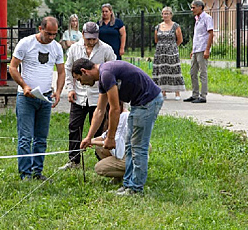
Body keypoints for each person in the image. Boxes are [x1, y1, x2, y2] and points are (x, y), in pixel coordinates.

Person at [75, 59, 163, 196]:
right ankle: (127, 184)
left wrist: (110, 138)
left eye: (79, 79)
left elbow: (115, 109)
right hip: (138, 104)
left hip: (148, 102)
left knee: (138, 147)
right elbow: (99, 110)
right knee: (129, 146)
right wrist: (88, 137)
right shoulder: (103, 77)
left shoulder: (106, 74)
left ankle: (136, 188)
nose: (82, 84)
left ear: (84, 71)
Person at [9, 16, 65, 181]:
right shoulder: (26, 43)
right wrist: (24, 85)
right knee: (26, 137)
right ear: (40, 29)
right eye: (48, 33)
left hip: (45, 97)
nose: (51, 37)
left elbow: (61, 72)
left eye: (55, 34)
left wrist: (58, 91)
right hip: (26, 97)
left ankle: (37, 172)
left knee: (41, 138)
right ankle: (25, 173)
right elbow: (12, 68)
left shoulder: (56, 48)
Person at [59, 22, 116, 170]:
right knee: (74, 127)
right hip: (79, 95)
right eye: (88, 38)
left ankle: (102, 159)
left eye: (94, 39)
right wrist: (70, 88)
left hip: (98, 95)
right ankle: (74, 160)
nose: (91, 42)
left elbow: (113, 69)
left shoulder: (106, 49)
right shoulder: (74, 48)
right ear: (83, 35)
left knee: (99, 131)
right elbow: (68, 68)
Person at [152, 7, 186, 101]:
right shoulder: (158, 26)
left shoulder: (175, 26)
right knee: (161, 71)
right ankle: (163, 92)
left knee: (174, 70)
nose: (165, 15)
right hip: (160, 52)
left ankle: (177, 92)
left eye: (167, 13)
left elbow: (180, 39)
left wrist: (172, 47)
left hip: (171, 52)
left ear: (171, 15)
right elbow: (156, 39)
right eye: (163, 13)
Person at [184, 0, 214, 104]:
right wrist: (193, 49)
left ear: (200, 7)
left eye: (193, 7)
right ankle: (194, 94)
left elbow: (210, 33)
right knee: (192, 72)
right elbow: (197, 36)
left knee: (202, 72)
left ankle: (203, 96)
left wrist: (207, 49)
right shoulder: (197, 19)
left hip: (202, 49)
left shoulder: (207, 18)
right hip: (196, 49)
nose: (192, 9)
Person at [92, 104, 129, 181]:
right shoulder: (117, 116)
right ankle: (118, 177)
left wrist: (94, 142)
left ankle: (130, 174)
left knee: (99, 168)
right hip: (123, 150)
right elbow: (104, 136)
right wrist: (90, 140)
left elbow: (114, 143)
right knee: (99, 148)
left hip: (129, 153)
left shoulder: (124, 117)